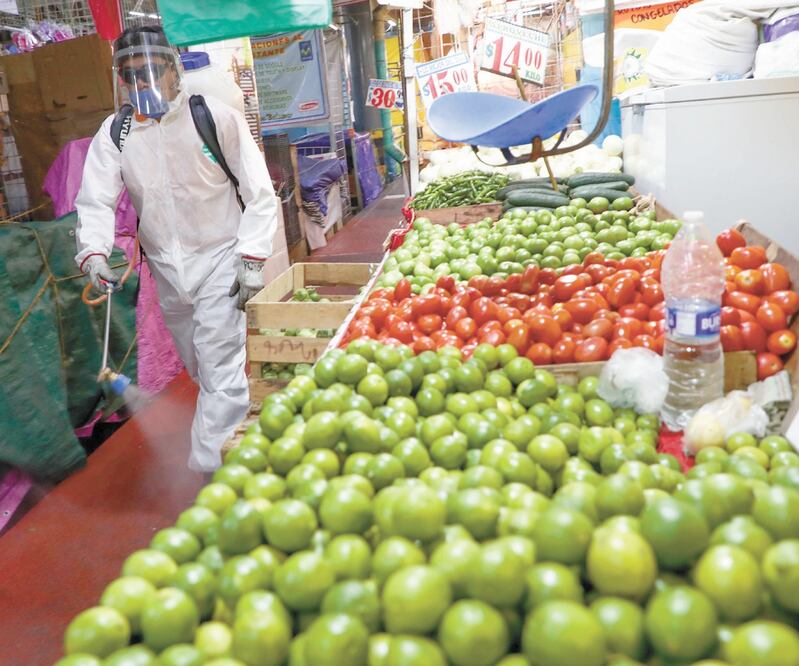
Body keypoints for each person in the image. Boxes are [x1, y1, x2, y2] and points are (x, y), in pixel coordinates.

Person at [75, 26, 279, 472]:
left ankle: (212, 470)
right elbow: (95, 199)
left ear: (172, 72)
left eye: (148, 72)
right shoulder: (117, 133)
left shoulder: (212, 117)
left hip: (222, 257)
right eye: (129, 77)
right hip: (168, 271)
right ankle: (235, 431)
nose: (139, 85)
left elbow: (259, 190)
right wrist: (93, 253)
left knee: (221, 363)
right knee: (200, 365)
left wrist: (251, 259)